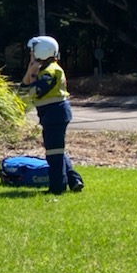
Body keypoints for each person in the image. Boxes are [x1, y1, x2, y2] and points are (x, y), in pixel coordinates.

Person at [20, 35, 84, 195]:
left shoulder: (51, 71)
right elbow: (22, 89)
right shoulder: (43, 69)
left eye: (33, 51)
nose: (31, 54)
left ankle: (57, 188)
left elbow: (36, 92)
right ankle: (74, 180)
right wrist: (30, 70)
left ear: (41, 51)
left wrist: (34, 74)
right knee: (55, 150)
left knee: (53, 153)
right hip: (51, 115)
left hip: (56, 114)